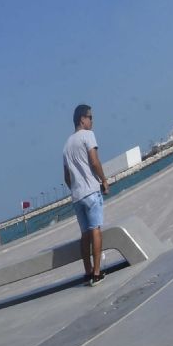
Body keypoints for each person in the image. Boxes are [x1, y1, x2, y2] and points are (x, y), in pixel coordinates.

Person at [62, 103, 109, 286]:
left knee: (84, 234)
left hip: (77, 196)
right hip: (91, 191)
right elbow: (94, 162)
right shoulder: (88, 135)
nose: (92, 121)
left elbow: (66, 177)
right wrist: (103, 180)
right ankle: (96, 273)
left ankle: (88, 272)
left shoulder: (66, 145)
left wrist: (75, 188)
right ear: (82, 119)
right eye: (90, 117)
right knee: (95, 229)